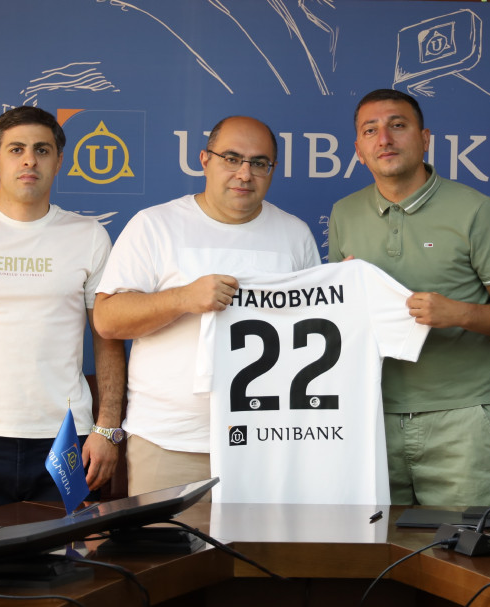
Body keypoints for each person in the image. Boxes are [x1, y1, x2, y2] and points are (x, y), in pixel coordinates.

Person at [93, 115, 321, 497]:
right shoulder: (155, 225)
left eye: (259, 163)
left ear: (272, 169)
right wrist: (183, 298)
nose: (244, 174)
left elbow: (314, 331)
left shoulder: (295, 235)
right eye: (231, 158)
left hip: (268, 444)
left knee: (262, 541)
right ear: (204, 160)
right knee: (169, 540)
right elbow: (107, 319)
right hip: (171, 443)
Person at [328, 89, 490, 506]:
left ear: (424, 139)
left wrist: (458, 313)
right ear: (359, 151)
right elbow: (337, 320)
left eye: (397, 125)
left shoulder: (476, 210)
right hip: (370, 416)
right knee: (377, 544)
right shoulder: (343, 214)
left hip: (461, 420)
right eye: (371, 130)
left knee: (464, 545)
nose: (385, 139)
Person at [0, 106, 126, 517]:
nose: (29, 160)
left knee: (65, 558)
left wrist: (107, 428)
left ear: (59, 160)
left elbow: (107, 335)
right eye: (16, 149)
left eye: (42, 150)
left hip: (66, 439)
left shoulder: (90, 236)